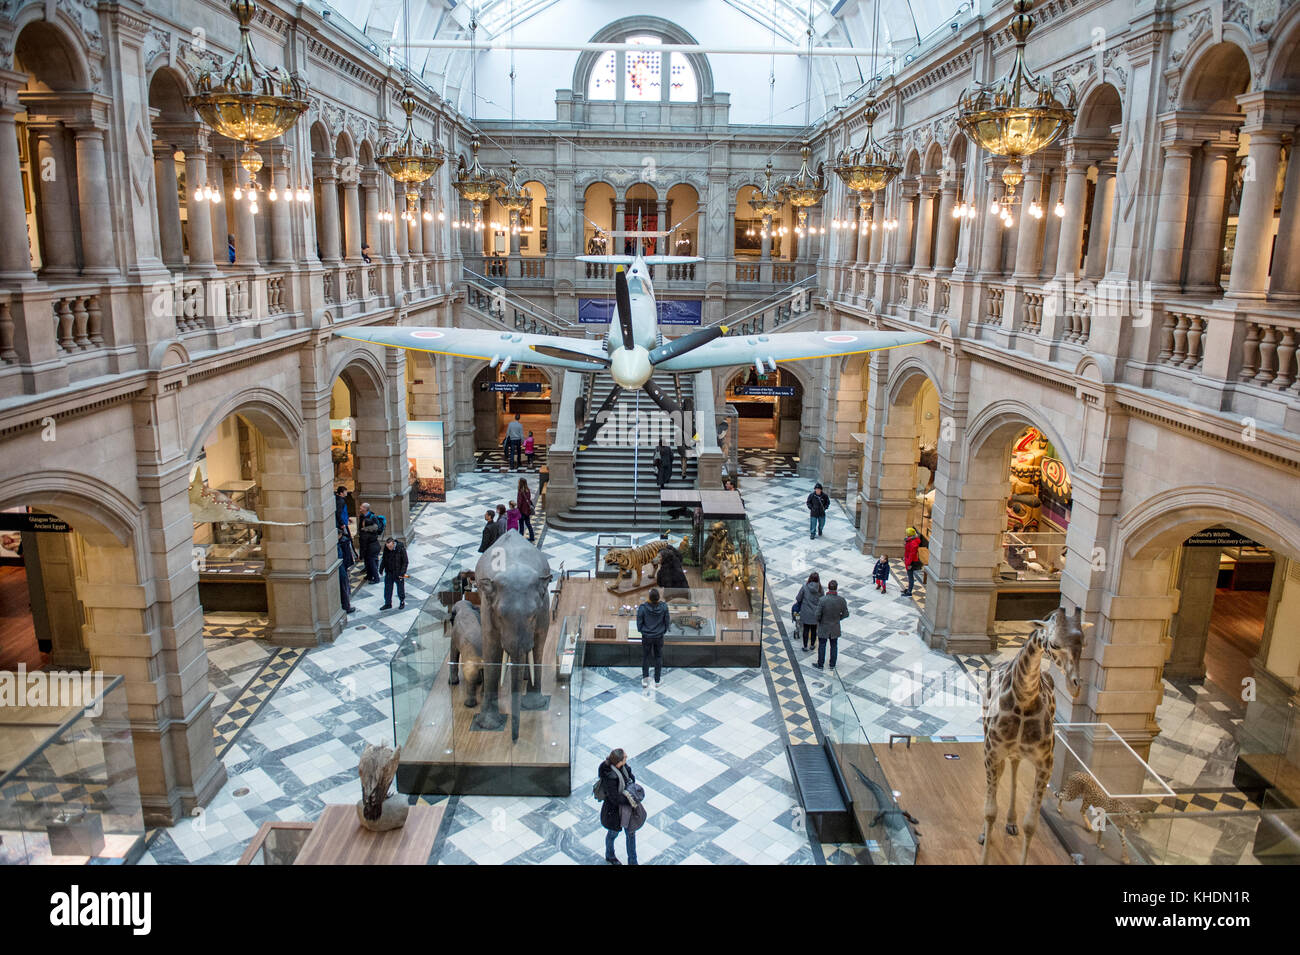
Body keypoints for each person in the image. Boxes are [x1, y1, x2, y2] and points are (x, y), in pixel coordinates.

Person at [598, 749, 641, 865]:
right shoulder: (609, 775)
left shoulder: (623, 767)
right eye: (624, 757)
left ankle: (633, 862)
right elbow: (614, 798)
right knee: (613, 834)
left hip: (627, 809)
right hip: (614, 811)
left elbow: (631, 779)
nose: (627, 757)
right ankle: (610, 855)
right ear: (618, 761)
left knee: (631, 834)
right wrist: (629, 798)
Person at [636, 588, 670, 688]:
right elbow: (667, 621)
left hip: (646, 636)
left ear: (649, 598)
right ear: (658, 598)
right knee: (658, 657)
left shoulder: (643, 608)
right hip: (659, 636)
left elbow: (639, 623)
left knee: (646, 657)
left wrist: (643, 631)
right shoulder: (664, 607)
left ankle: (645, 681)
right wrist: (662, 631)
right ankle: (657, 680)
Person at [814, 579, 850, 671]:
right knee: (834, 646)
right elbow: (846, 614)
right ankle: (832, 664)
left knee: (822, 645)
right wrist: (838, 619)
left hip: (824, 626)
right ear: (836, 588)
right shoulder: (841, 600)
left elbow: (817, 614)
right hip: (835, 626)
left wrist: (820, 621)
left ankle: (820, 664)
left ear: (828, 587)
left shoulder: (823, 600)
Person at [357, 504, 385, 583]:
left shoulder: (365, 534)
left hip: (370, 547)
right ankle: (369, 575)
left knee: (371, 562)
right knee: (371, 561)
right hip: (375, 545)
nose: (360, 508)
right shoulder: (370, 531)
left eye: (362, 507)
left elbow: (363, 545)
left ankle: (376, 578)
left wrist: (361, 555)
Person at [796, 572, 823, 653]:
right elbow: (822, 601)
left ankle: (805, 646)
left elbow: (798, 598)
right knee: (814, 629)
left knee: (806, 629)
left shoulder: (805, 587)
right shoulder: (820, 589)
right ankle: (812, 645)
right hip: (815, 612)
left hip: (806, 612)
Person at [379, 537, 408, 610]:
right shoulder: (386, 549)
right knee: (387, 588)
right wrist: (381, 568)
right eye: (388, 547)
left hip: (398, 573)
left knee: (400, 589)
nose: (389, 548)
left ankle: (402, 601)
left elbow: (405, 562)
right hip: (389, 572)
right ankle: (388, 603)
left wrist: (402, 573)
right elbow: (384, 559)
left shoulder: (400, 548)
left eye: (391, 547)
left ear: (393, 543)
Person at [336, 527, 356, 614]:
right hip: (341, 567)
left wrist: (347, 567)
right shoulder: (340, 543)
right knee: (344, 587)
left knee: (344, 587)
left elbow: (347, 556)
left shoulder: (342, 542)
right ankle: (345, 605)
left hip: (342, 567)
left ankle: (346, 606)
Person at [902, 527, 924, 596]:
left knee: (910, 577)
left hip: (911, 562)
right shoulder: (910, 540)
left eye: (907, 533)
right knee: (909, 576)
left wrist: (908, 563)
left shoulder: (913, 543)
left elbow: (912, 554)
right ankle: (908, 589)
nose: (906, 534)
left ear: (910, 534)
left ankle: (909, 592)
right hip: (908, 559)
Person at [516, 477, 535, 542]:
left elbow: (519, 502)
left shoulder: (520, 491)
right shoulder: (528, 490)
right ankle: (532, 537)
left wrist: (517, 509)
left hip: (522, 511)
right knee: (528, 524)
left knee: (521, 525)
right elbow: (528, 499)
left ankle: (520, 539)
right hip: (527, 510)